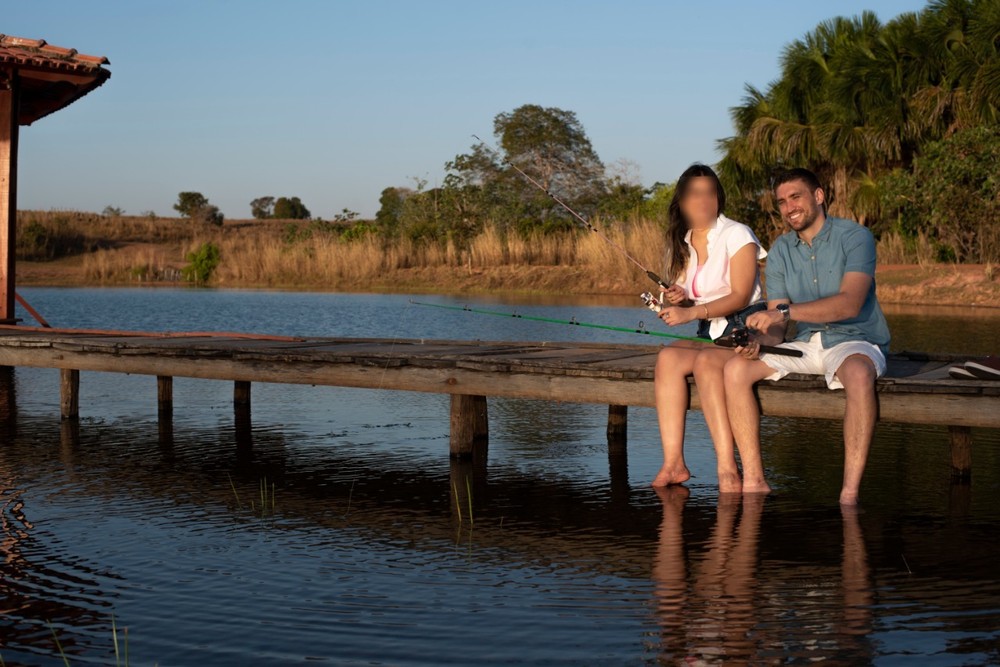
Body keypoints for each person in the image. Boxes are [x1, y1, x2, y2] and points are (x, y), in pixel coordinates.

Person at [724, 168, 890, 505]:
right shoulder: (780, 251)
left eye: (795, 197)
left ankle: (849, 494)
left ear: (818, 196)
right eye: (782, 202)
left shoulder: (856, 237)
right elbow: (777, 327)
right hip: (806, 344)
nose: (788, 207)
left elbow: (849, 303)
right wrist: (759, 343)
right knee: (735, 369)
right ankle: (754, 479)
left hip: (854, 339)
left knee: (858, 374)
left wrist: (783, 313)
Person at [652, 164, 767, 492]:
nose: (703, 200)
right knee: (668, 359)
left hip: (746, 326)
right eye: (694, 194)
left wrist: (691, 313)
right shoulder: (682, 243)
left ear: (719, 198)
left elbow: (741, 294)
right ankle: (674, 463)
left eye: (709, 192)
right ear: (681, 202)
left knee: (704, 362)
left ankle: (727, 469)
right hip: (711, 332)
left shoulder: (737, 233)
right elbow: (687, 302)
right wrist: (678, 299)